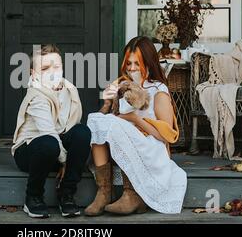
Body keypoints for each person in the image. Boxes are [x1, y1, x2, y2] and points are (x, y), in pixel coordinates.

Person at [84, 36, 187, 216]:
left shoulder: (158, 90)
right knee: (95, 119)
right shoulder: (122, 84)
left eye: (137, 64)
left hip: (152, 147)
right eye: (128, 63)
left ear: (148, 63)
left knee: (115, 124)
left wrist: (134, 119)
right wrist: (107, 103)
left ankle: (131, 194)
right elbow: (104, 121)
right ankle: (104, 192)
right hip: (125, 141)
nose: (131, 69)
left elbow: (166, 136)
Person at [12, 44, 91, 218]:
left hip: (56, 150)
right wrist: (65, 161)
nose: (52, 72)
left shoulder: (70, 90)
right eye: (45, 68)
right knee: (49, 143)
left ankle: (67, 193)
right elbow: (49, 132)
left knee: (82, 132)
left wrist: (69, 157)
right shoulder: (36, 95)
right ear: (34, 73)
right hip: (31, 150)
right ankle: (33, 196)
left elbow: (70, 126)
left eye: (57, 66)